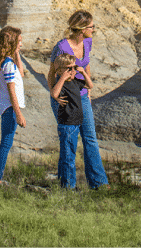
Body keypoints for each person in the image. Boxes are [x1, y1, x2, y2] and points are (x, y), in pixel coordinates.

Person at [46, 10, 109, 189]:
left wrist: (88, 89)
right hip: (65, 98)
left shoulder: (87, 42)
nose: (94, 29)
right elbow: (51, 74)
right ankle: (66, 186)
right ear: (81, 29)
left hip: (82, 95)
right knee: (68, 141)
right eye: (91, 27)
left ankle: (99, 183)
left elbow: (86, 64)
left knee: (90, 138)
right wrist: (54, 96)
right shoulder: (61, 47)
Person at [0, 26, 26, 186]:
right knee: (6, 142)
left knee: (6, 141)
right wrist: (18, 114)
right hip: (10, 108)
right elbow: (12, 91)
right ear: (11, 43)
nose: (21, 45)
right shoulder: (8, 65)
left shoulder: (5, 62)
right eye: (19, 42)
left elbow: (22, 73)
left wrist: (16, 53)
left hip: (7, 107)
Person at [50, 53, 93, 189]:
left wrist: (83, 72)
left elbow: (90, 86)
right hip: (67, 124)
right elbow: (54, 94)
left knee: (67, 155)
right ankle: (69, 186)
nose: (73, 71)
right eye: (69, 68)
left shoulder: (75, 82)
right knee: (68, 157)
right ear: (60, 70)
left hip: (76, 123)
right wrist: (62, 77)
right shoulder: (61, 83)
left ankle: (64, 184)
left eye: (74, 67)